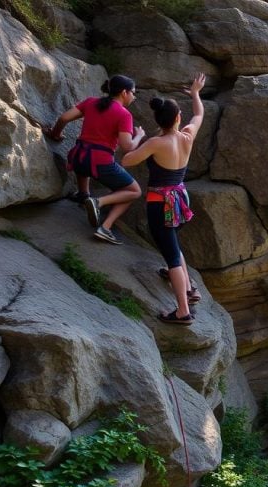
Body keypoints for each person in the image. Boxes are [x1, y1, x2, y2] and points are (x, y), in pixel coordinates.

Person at [121, 73, 206, 325]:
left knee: (171, 256)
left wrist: (137, 139)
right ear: (178, 118)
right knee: (173, 242)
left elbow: (127, 161)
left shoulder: (156, 143)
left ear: (157, 119)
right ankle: (189, 287)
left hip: (161, 203)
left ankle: (182, 311)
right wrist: (196, 94)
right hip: (181, 198)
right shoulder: (187, 135)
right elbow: (199, 115)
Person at [44, 74, 145, 245]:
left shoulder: (91, 102)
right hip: (100, 162)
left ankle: (83, 195)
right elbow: (128, 147)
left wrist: (55, 134)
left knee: (85, 159)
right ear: (124, 92)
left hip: (78, 158)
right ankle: (99, 206)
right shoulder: (124, 114)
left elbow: (63, 118)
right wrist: (140, 136)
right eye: (133, 93)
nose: (134, 97)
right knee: (135, 191)